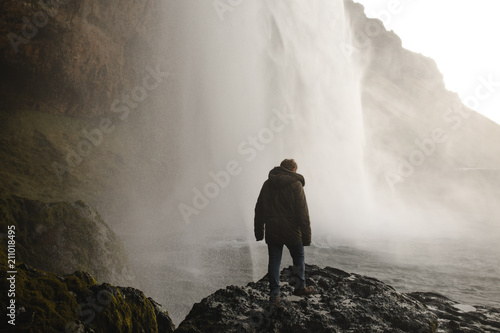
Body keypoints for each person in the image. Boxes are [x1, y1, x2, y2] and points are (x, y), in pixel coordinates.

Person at [254, 159, 314, 306]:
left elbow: (259, 209)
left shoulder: (267, 184)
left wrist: (259, 232)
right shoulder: (296, 184)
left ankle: (275, 295)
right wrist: (306, 237)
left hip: (272, 230)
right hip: (292, 231)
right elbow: (302, 213)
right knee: (298, 257)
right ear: (293, 170)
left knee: (274, 260)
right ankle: (300, 287)